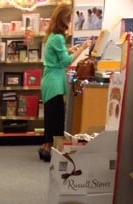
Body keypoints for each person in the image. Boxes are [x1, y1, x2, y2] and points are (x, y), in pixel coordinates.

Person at [39, 3, 91, 161]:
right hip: (54, 82)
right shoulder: (58, 37)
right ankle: (51, 150)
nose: (70, 22)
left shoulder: (52, 36)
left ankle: (45, 147)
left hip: (49, 80)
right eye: (69, 19)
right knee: (56, 119)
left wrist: (69, 49)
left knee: (50, 117)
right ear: (64, 19)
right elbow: (65, 61)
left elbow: (56, 55)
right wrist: (83, 48)